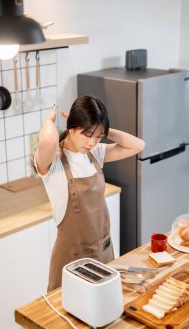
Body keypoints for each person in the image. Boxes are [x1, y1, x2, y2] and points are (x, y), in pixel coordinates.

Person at [34, 95, 145, 292]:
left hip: (104, 250)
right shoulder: (52, 162)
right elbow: (50, 139)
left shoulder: (95, 153)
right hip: (72, 259)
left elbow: (138, 145)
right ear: (71, 126)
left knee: (102, 310)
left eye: (98, 136)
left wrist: (100, 128)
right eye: (87, 134)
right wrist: (50, 119)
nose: (92, 142)